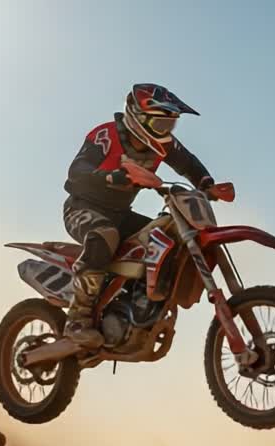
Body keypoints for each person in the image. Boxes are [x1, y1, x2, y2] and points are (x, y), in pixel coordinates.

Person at [61, 83, 233, 348]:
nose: (167, 132)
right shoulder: (105, 135)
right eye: (161, 124)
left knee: (163, 236)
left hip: (121, 214)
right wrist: (108, 176)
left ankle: (133, 303)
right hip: (83, 207)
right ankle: (77, 319)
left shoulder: (164, 145)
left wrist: (207, 183)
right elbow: (76, 172)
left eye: (170, 125)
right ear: (138, 117)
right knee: (104, 235)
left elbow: (188, 163)